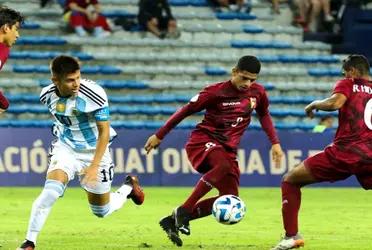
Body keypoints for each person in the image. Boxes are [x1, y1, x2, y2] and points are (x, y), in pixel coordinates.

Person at [145, 55, 284, 246]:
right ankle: (184, 210)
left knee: (229, 198)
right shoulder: (215, 92)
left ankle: (171, 221)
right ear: (234, 71)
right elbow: (184, 111)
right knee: (223, 165)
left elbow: (264, 115)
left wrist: (275, 143)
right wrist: (159, 135)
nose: (248, 83)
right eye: (244, 78)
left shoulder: (258, 93)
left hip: (228, 149)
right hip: (203, 142)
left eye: (252, 80)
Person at [17, 55, 145, 250]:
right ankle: (29, 242)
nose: (76, 83)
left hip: (95, 152)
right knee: (50, 192)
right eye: (70, 80)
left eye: (78, 77)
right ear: (55, 81)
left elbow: (103, 132)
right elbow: (63, 116)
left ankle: (128, 187)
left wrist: (93, 167)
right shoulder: (46, 95)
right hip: (66, 148)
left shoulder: (94, 94)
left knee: (101, 211)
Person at [271, 54, 372, 250]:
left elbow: (335, 103)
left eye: (345, 72)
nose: (344, 75)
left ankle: (291, 236)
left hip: (346, 151)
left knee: (290, 180)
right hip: (370, 154)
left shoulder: (348, 84)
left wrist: (314, 104)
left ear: (352, 72)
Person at [0, 6, 24, 113]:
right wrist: (4, 104)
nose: (17, 35)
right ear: (6, 27)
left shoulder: (4, 49)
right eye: (16, 29)